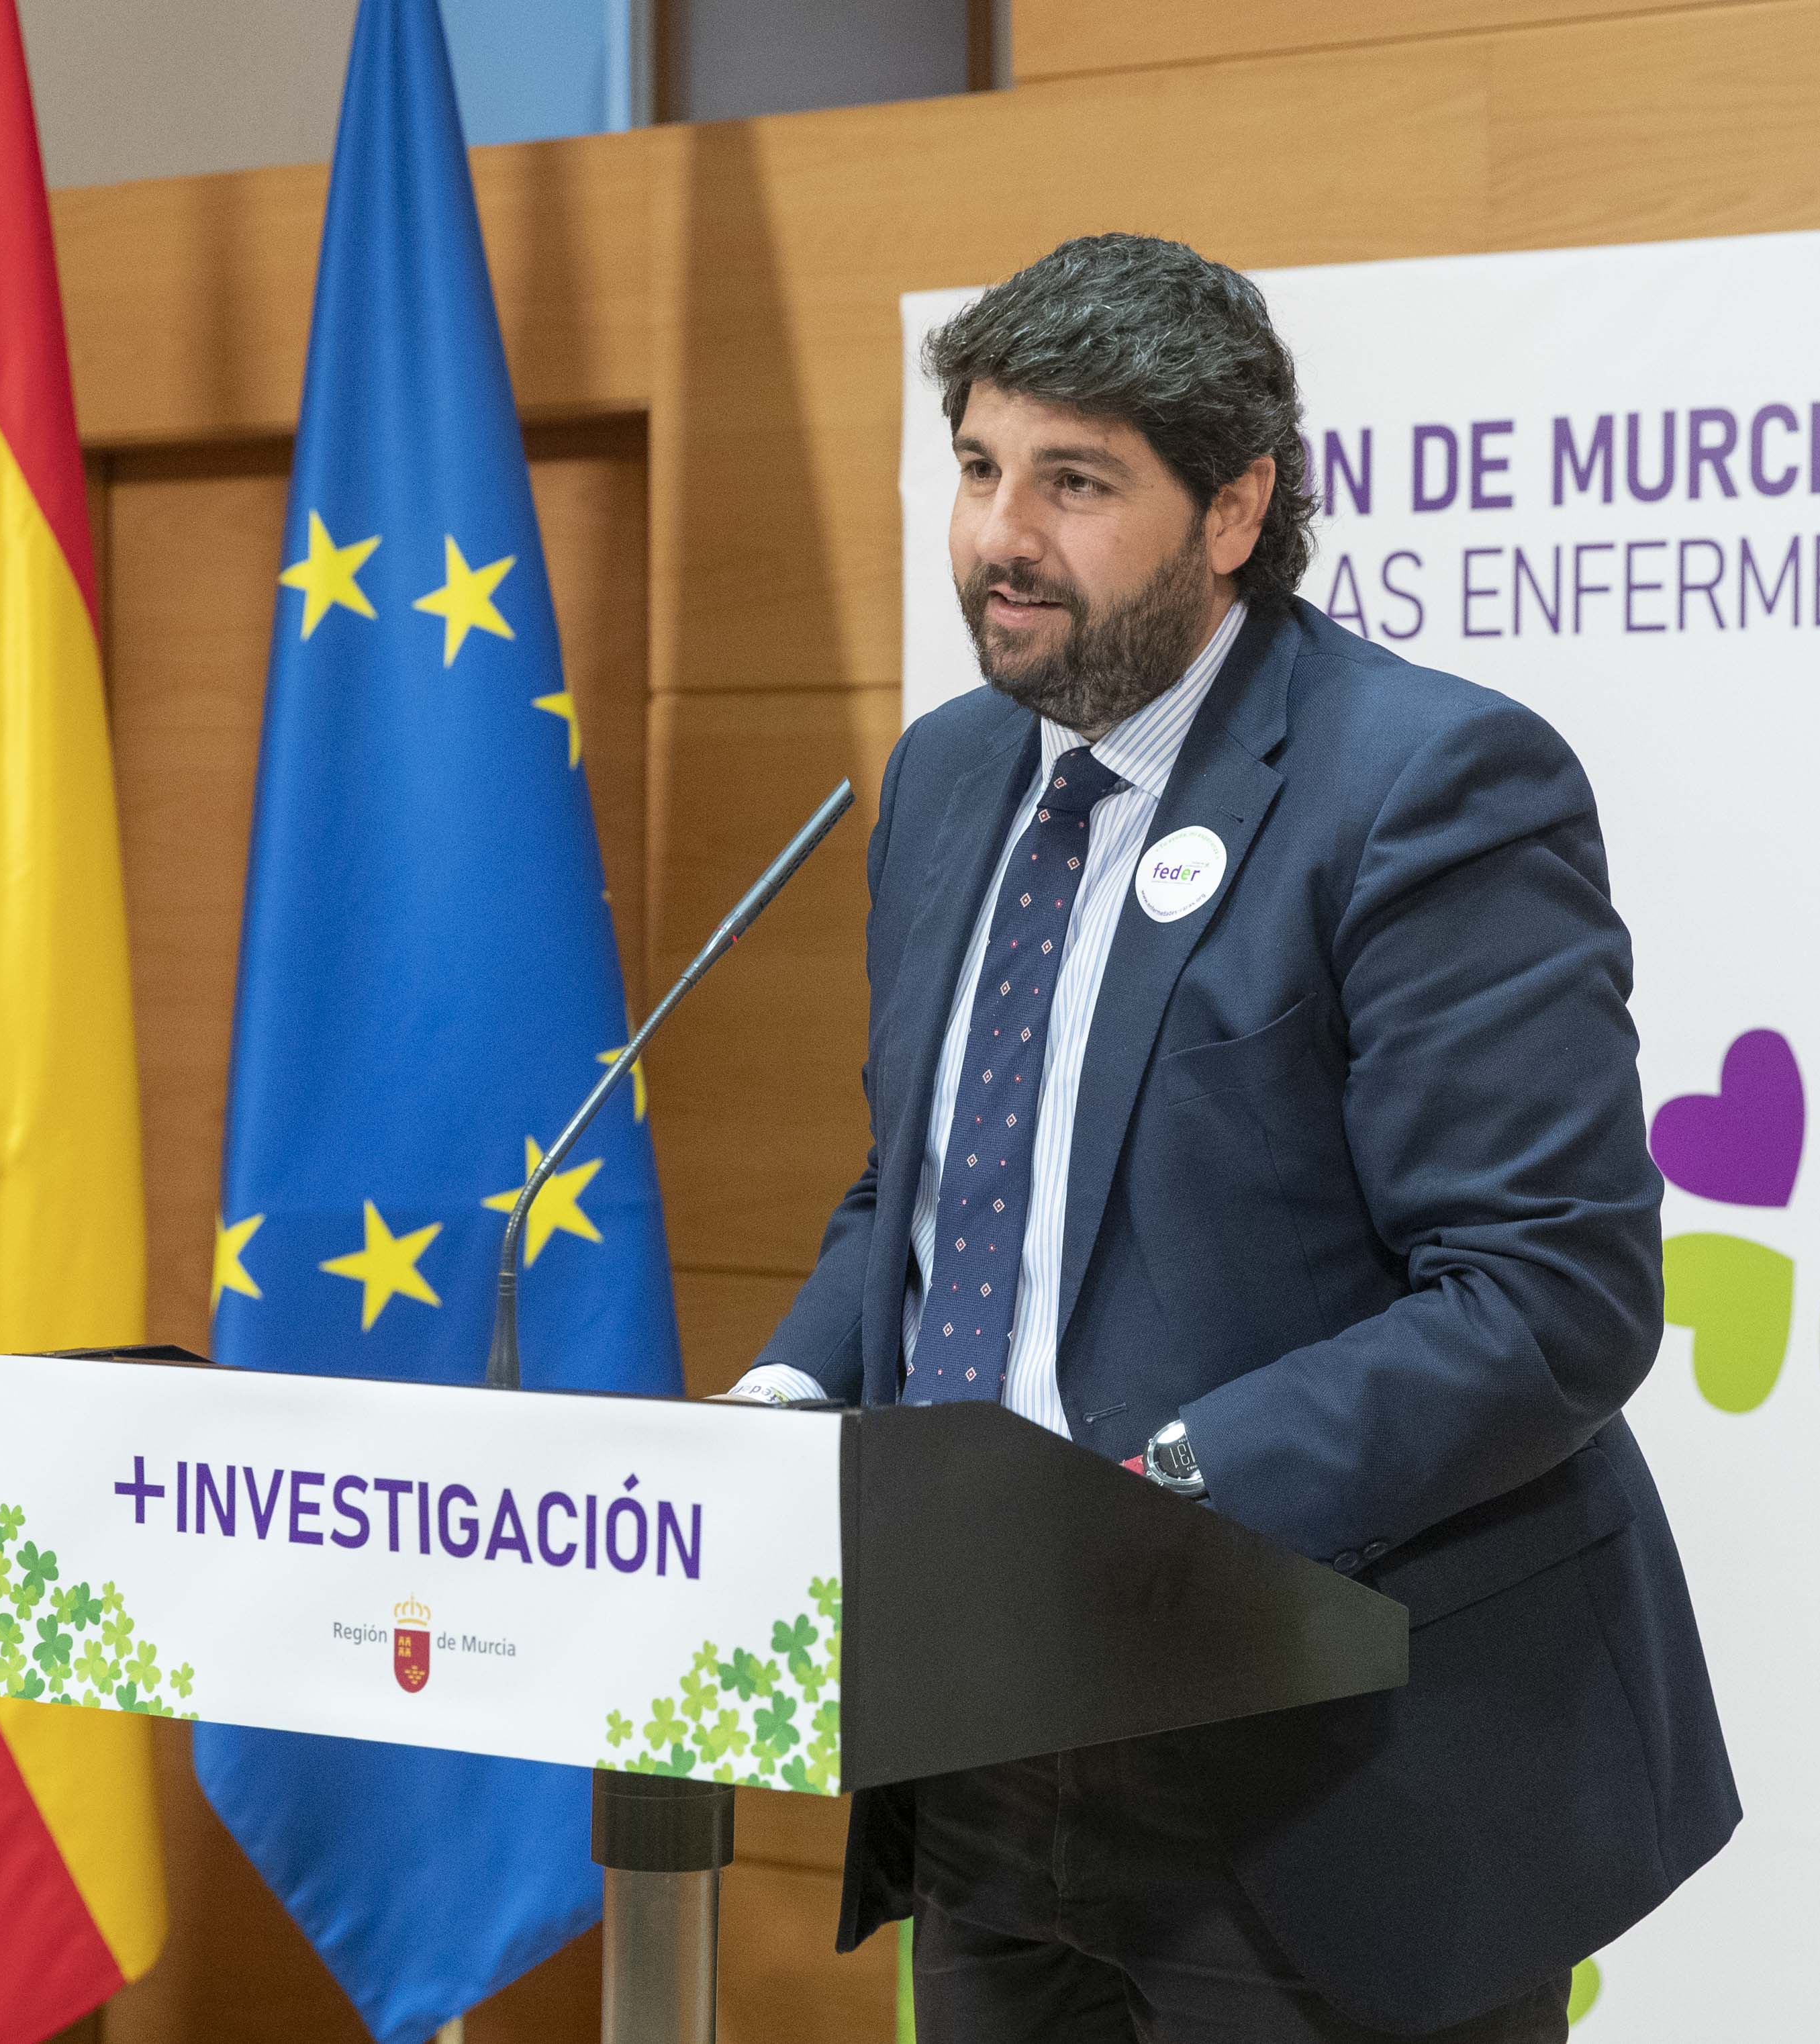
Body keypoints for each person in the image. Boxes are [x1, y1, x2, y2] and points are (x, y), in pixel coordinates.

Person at [720, 232, 1736, 2042]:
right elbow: (933, 1191)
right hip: (979, 1737)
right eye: (976, 468)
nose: (996, 536)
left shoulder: (1424, 783)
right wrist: (781, 1410)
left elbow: (1547, 1295)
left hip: (1323, 1778)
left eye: (1074, 482)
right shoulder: (953, 777)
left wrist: (1154, 1508)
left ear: (1233, 507)